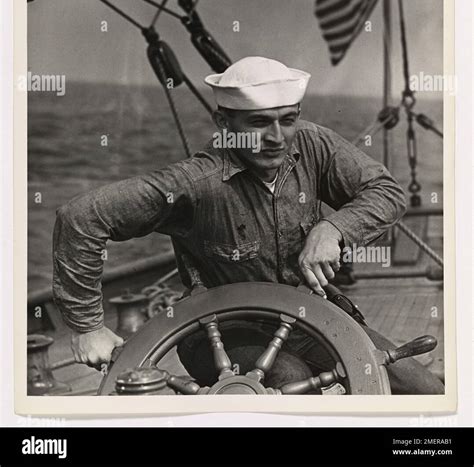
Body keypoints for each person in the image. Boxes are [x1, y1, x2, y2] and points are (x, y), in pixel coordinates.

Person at [52, 56, 444, 394]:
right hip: (221, 330)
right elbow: (82, 218)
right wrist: (88, 327)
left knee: (425, 389)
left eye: (287, 119)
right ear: (223, 121)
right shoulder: (193, 184)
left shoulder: (311, 145)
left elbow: (386, 191)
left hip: (309, 317)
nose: (276, 138)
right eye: (258, 123)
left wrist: (334, 229)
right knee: (291, 380)